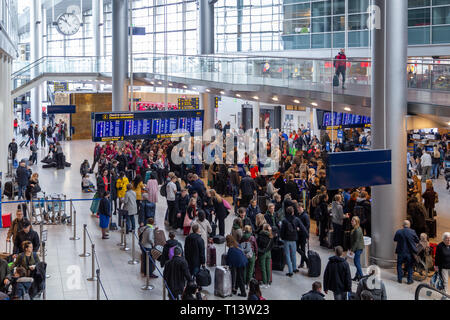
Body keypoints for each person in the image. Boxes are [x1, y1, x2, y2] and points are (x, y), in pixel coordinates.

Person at [394, 220, 419, 284]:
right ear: (409, 225)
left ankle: (399, 279)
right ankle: (409, 280)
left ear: (403, 225)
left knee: (399, 265)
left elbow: (395, 239)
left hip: (400, 252)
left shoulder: (398, 232)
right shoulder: (412, 232)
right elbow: (417, 240)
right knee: (410, 266)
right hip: (409, 253)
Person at [280, 206, 301, 277]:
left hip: (286, 239)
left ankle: (290, 271)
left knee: (288, 255)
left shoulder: (284, 220)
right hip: (293, 239)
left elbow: (282, 231)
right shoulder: (296, 219)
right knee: (294, 254)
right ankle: (295, 268)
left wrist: (281, 237)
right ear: (293, 212)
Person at [257, 224, 274, 288]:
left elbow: (258, 243)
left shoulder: (261, 235)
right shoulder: (271, 236)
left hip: (262, 253)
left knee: (263, 268)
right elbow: (272, 245)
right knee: (268, 268)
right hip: (268, 253)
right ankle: (268, 282)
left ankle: (264, 282)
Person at [350, 216, 365, 282]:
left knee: (356, 263)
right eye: (352, 220)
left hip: (358, 248)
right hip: (357, 247)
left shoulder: (357, 230)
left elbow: (357, 241)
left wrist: (352, 250)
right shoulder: (355, 228)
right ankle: (357, 276)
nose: (351, 222)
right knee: (357, 262)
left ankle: (362, 277)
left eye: (353, 221)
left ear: (356, 222)